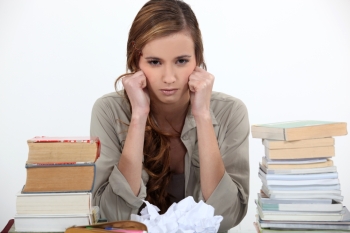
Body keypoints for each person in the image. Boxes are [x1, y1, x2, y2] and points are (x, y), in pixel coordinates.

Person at [90, 0, 250, 231]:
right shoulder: (108, 111)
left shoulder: (231, 112)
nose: (169, 78)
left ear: (198, 60)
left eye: (181, 61)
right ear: (136, 61)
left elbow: (226, 217)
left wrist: (203, 115)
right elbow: (114, 214)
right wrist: (139, 116)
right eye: (154, 62)